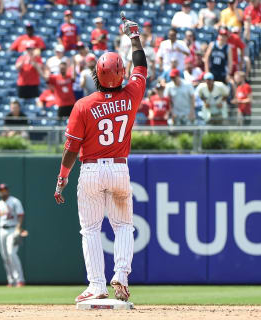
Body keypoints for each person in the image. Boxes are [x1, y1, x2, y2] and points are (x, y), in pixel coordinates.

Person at [53, 14, 148, 303]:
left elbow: (71, 148)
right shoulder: (132, 93)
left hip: (92, 170)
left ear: (96, 74)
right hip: (120, 169)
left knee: (91, 230)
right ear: (121, 73)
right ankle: (121, 274)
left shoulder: (83, 105)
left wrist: (62, 178)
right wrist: (133, 36)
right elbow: (141, 66)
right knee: (123, 227)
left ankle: (97, 286)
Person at [0, 183, 27, 288]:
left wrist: (18, 229)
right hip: (2, 230)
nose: (2, 191)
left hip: (13, 229)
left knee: (11, 253)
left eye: (4, 190)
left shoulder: (14, 201)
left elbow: (21, 215)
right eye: (0, 190)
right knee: (5, 256)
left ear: (7, 191)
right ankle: (11, 280)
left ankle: (20, 279)